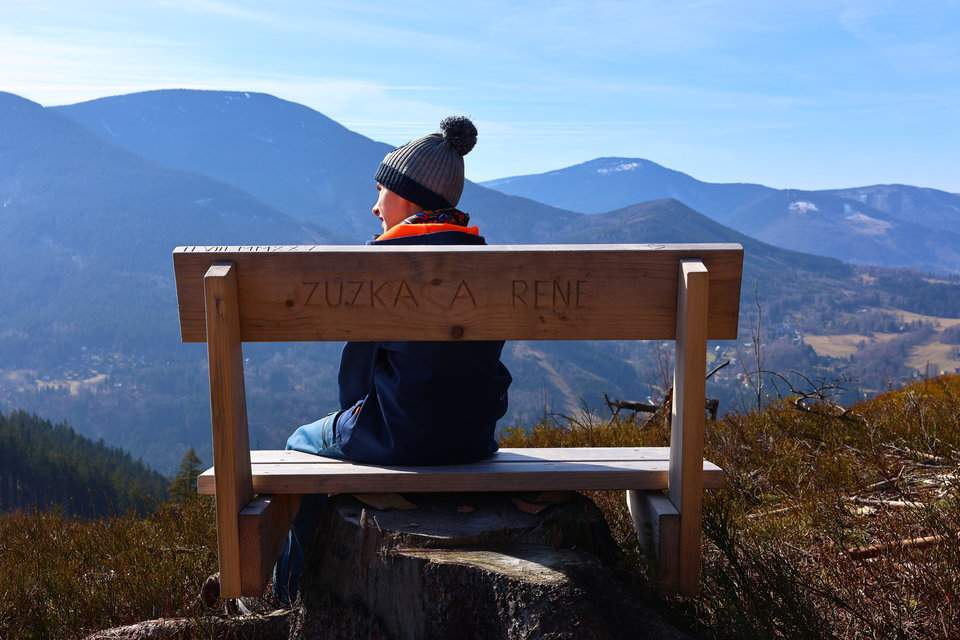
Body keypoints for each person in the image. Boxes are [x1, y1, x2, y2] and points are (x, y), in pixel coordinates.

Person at [272, 116, 512, 605]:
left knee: (298, 445)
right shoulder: (485, 260)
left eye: (381, 191)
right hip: (474, 439)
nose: (375, 205)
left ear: (408, 198)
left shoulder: (383, 265)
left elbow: (356, 381)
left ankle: (289, 593)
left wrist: (362, 417)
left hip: (397, 436)